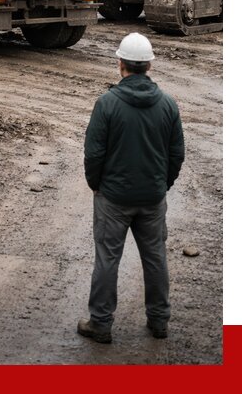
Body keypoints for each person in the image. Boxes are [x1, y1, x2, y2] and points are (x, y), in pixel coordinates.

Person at [77, 32, 184, 344]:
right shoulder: (168, 105)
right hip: (152, 198)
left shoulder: (107, 104)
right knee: (155, 258)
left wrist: (98, 186)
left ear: (120, 63)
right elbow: (176, 154)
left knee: (107, 260)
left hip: (114, 198)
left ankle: (100, 324)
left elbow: (94, 154)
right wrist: (161, 185)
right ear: (149, 65)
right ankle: (159, 321)